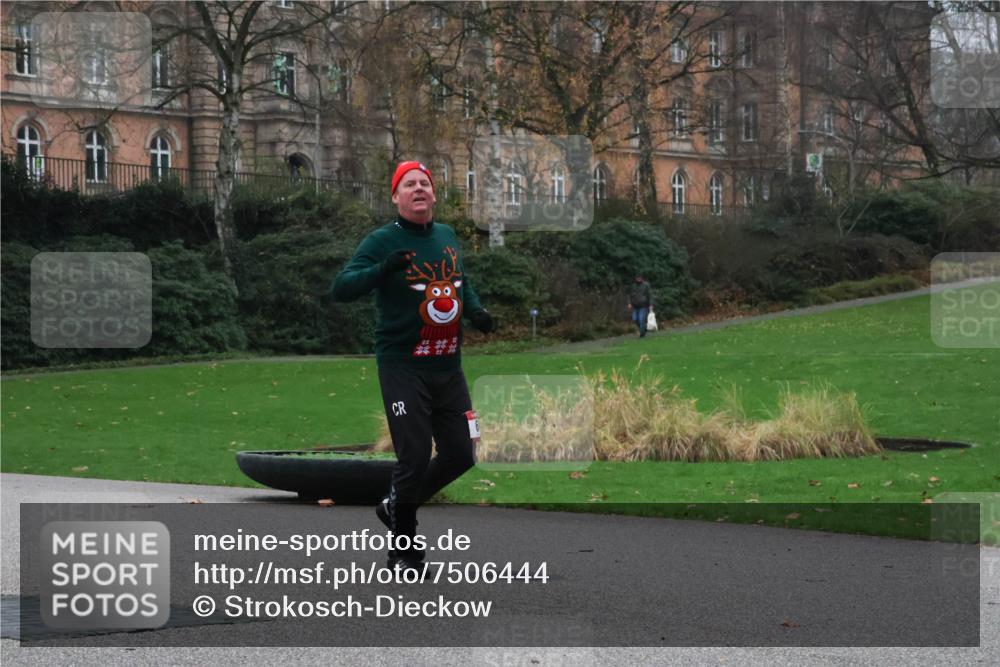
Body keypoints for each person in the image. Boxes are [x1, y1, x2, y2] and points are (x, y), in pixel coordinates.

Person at [330, 161, 495, 572]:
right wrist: (383, 269)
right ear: (395, 196)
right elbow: (342, 287)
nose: (419, 189)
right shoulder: (383, 240)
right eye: (409, 185)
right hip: (403, 366)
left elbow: (461, 280)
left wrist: (474, 310)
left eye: (424, 183)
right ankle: (403, 548)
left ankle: (396, 503)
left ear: (434, 194)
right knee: (415, 455)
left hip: (448, 366)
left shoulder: (446, 235)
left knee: (462, 453)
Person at [628, 274, 653, 338]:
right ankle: (643, 329)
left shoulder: (646, 285)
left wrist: (650, 304)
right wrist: (629, 303)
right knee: (635, 319)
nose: (638, 279)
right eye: (637, 277)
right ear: (635, 278)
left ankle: (642, 334)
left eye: (639, 277)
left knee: (642, 319)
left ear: (642, 278)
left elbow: (649, 295)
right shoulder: (633, 286)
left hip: (643, 306)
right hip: (635, 306)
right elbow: (630, 295)